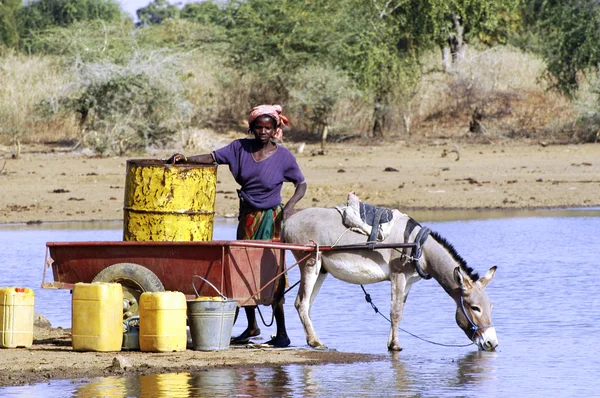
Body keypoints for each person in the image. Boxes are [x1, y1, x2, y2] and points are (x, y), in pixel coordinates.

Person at [167, 104, 307, 347]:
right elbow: (212, 158)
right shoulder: (238, 148)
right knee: (242, 271)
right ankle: (252, 326)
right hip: (247, 219)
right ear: (251, 128)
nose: (263, 131)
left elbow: (301, 183)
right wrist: (186, 159)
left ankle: (282, 332)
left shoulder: (283, 157)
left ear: (276, 130)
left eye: (268, 127)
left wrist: (291, 206)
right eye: (259, 127)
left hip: (271, 221)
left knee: (272, 274)